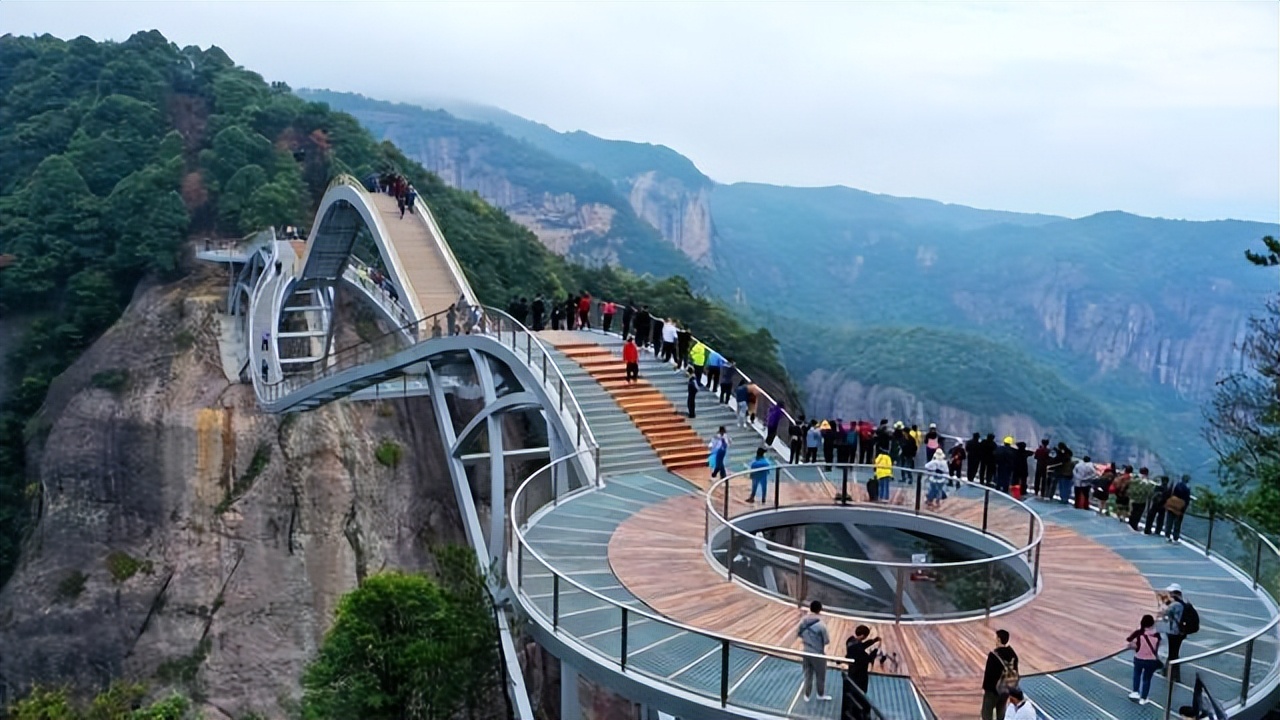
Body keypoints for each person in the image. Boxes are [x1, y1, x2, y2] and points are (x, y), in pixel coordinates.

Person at [841, 625, 880, 720]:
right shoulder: (860, 652)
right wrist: (875, 650)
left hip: (852, 672)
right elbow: (868, 659)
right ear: (863, 636)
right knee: (860, 693)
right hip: (860, 675)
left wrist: (873, 641)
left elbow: (861, 645)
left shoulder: (850, 641)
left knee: (851, 691)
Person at [981, 629, 1019, 720]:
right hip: (1005, 690)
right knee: (1001, 713)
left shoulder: (993, 656)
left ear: (998, 639)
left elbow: (988, 675)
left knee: (986, 714)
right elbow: (1016, 672)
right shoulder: (1013, 655)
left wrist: (986, 689)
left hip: (992, 691)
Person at [797, 601, 831, 702]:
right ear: (820, 610)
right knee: (820, 675)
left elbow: (798, 633)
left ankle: (806, 695)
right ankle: (820, 694)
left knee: (808, 674)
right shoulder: (821, 625)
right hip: (818, 653)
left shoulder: (803, 621)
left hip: (806, 651)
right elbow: (827, 641)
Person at [1127, 614, 1162, 705]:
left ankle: (1135, 692)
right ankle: (1144, 698)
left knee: (1137, 675)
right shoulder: (1157, 635)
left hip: (1139, 658)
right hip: (1151, 660)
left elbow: (1129, 639)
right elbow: (1159, 646)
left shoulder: (1139, 633)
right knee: (1147, 679)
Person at [1160, 584, 1187, 683]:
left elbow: (1164, 614)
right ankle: (1171, 672)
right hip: (1181, 632)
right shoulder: (1184, 602)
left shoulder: (1175, 604)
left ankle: (1171, 673)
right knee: (1175, 652)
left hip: (1174, 632)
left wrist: (1163, 605)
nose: (1169, 594)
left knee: (1172, 653)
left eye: (1171, 592)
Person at [1164, 474, 1192, 543]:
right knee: (1177, 523)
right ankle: (1175, 537)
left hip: (1172, 504)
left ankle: (1167, 535)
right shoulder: (1187, 488)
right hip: (1180, 508)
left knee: (1169, 521)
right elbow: (1187, 499)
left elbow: (1172, 493)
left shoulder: (1177, 485)